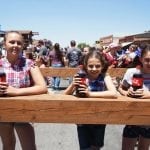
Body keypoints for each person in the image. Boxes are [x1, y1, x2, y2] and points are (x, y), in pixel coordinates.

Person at [0, 31, 47, 150]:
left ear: (23, 46)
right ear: (4, 44)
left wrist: (15, 91)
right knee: (8, 145)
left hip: (24, 110)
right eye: (11, 42)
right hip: (3, 111)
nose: (15, 45)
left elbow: (42, 87)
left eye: (19, 43)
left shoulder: (29, 64)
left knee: (29, 147)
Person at [64, 50, 117, 150]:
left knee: (96, 147)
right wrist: (72, 85)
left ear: (102, 66)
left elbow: (113, 93)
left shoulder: (105, 76)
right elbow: (64, 95)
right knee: (84, 147)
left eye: (97, 66)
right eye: (90, 66)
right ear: (85, 65)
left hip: (100, 119)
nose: (94, 69)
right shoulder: (81, 77)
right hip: (82, 119)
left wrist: (90, 94)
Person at [118, 44, 150, 150]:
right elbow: (121, 88)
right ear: (141, 59)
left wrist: (147, 95)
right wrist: (126, 93)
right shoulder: (131, 72)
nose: (149, 63)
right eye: (147, 60)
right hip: (132, 119)